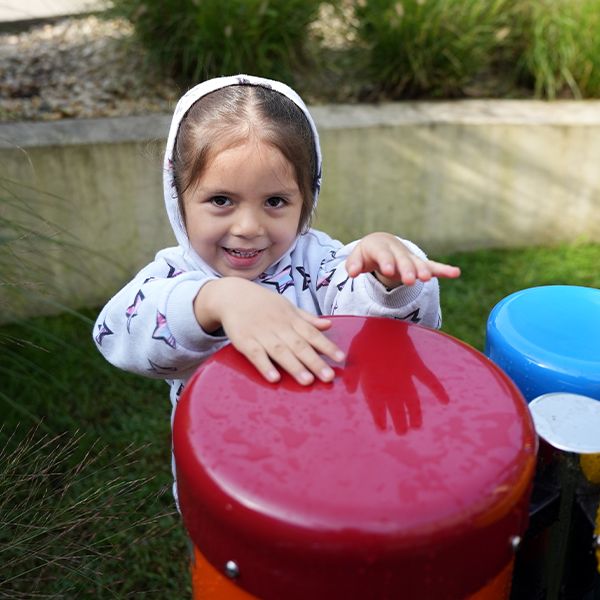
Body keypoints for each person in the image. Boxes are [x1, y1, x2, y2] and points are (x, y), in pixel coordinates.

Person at [93, 72, 460, 429]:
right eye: (221, 200)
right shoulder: (175, 276)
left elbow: (376, 328)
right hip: (217, 471)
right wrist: (216, 299)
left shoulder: (318, 263)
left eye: (275, 201)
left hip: (323, 453)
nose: (249, 227)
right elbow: (115, 334)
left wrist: (386, 279)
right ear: (179, 197)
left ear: (307, 197)